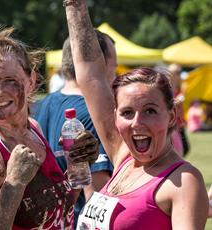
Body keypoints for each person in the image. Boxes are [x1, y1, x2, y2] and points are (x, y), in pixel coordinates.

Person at [64, 0, 208, 229]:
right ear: (115, 117)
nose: (137, 122)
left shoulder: (184, 182)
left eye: (150, 111)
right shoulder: (123, 156)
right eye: (127, 112)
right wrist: (75, 6)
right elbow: (90, 74)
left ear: (171, 117)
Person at [0, 27, 99, 229]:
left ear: (31, 81)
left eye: (10, 81)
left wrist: (78, 165)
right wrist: (14, 184)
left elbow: (53, 212)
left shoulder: (33, 128)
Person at [32, 30, 116, 227]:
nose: (115, 75)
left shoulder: (41, 106)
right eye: (114, 67)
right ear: (99, 64)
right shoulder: (93, 114)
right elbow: (97, 195)